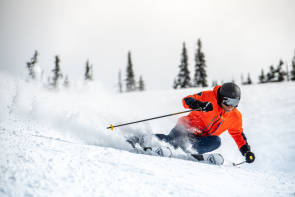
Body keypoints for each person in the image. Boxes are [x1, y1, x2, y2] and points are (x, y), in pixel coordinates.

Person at [155, 82, 255, 163]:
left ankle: (192, 152)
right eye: (227, 101)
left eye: (235, 102)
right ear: (221, 97)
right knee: (172, 142)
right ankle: (148, 139)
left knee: (216, 141)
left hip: (199, 139)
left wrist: (246, 151)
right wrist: (199, 104)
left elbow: (238, 134)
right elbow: (186, 100)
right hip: (185, 128)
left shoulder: (235, 116)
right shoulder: (209, 97)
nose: (230, 106)